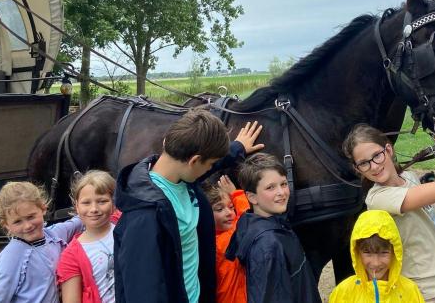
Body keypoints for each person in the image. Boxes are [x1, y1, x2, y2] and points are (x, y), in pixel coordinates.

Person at [343, 102, 435, 303]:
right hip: (424, 293)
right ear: (358, 169)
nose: (374, 166)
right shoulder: (379, 199)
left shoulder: (411, 179)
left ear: (388, 150)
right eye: (364, 163)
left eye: (377, 156)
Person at [114, 111, 263, 303]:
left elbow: (204, 167)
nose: (211, 169)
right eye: (210, 164)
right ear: (194, 160)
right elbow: (144, 290)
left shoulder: (179, 178)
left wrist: (237, 147)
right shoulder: (146, 216)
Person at [226, 153, 322, 303]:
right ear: (252, 197)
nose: (281, 192)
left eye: (283, 184)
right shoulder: (269, 245)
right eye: (270, 187)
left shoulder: (257, 222)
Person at [0, 181, 83, 303]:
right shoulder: (12, 255)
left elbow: (80, 220)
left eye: (31, 217)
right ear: (6, 225)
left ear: (43, 209)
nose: (27, 226)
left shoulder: (54, 235)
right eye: (17, 222)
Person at [329, 209, 425, 303]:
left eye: (384, 253)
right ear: (357, 252)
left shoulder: (410, 291)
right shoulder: (343, 292)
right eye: (367, 253)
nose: (376, 263)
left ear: (395, 252)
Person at [57, 170, 121, 303]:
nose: (94, 209)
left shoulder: (125, 225)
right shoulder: (70, 256)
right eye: (86, 203)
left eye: (102, 201)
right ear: (77, 206)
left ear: (113, 203)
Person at [203, 174, 250, 303]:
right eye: (219, 209)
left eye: (231, 207)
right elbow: (248, 222)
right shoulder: (219, 243)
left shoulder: (210, 238)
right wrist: (236, 195)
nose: (229, 213)